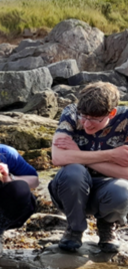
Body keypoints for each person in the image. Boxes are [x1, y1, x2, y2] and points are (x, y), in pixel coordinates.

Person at [50, 81, 128, 253]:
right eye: (83, 117)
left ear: (112, 113)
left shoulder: (126, 120)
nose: (86, 124)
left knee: (123, 190)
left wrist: (78, 154)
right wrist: (111, 155)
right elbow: (57, 157)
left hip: (108, 191)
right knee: (73, 171)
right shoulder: (71, 112)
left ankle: (107, 226)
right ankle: (74, 229)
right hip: (69, 189)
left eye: (94, 120)